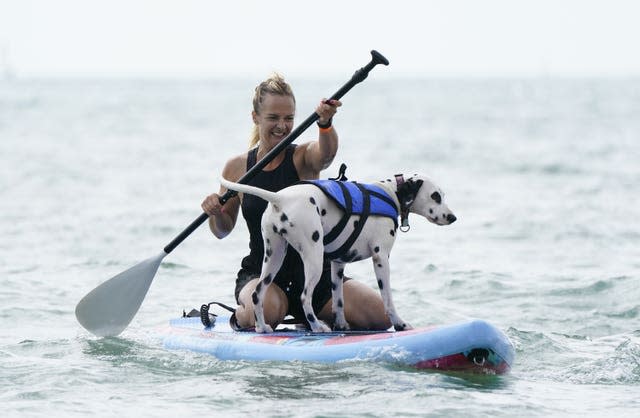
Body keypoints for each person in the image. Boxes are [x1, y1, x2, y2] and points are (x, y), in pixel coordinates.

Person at [201, 74, 391, 331]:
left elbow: (326, 155)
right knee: (268, 311)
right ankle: (240, 316)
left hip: (316, 277)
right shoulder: (236, 169)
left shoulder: (302, 158)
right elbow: (222, 230)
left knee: (380, 318)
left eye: (289, 118)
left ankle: (309, 316)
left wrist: (325, 123)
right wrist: (216, 212)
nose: (282, 125)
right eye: (273, 118)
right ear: (255, 117)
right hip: (263, 275)